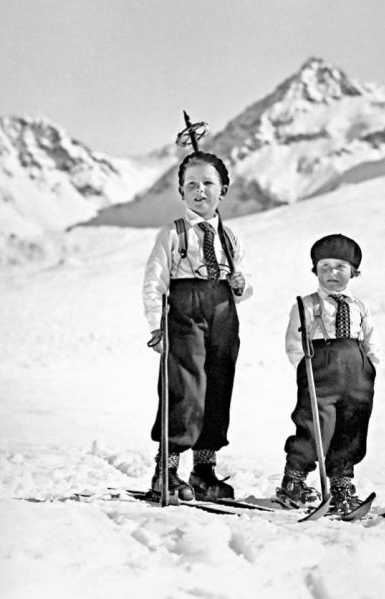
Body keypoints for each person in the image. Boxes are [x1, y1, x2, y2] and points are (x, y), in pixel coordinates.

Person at [142, 150, 253, 500]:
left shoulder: (230, 238)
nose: (199, 190)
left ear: (224, 189)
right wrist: (156, 327)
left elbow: (244, 286)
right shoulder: (172, 234)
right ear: (181, 192)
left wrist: (240, 285)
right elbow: (154, 283)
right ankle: (166, 471)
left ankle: (204, 471)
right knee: (185, 389)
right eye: (191, 184)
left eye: (208, 183)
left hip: (222, 314)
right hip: (184, 313)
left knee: (218, 388)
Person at [277, 234, 381, 513]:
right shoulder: (307, 304)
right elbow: (294, 344)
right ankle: (294, 481)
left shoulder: (359, 306)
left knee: (352, 429)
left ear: (353, 272)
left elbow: (370, 338)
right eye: (325, 267)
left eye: (340, 267)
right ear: (315, 270)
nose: (332, 273)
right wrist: (305, 367)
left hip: (357, 375)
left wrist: (370, 364)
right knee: (315, 427)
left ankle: (341, 485)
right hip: (320, 371)